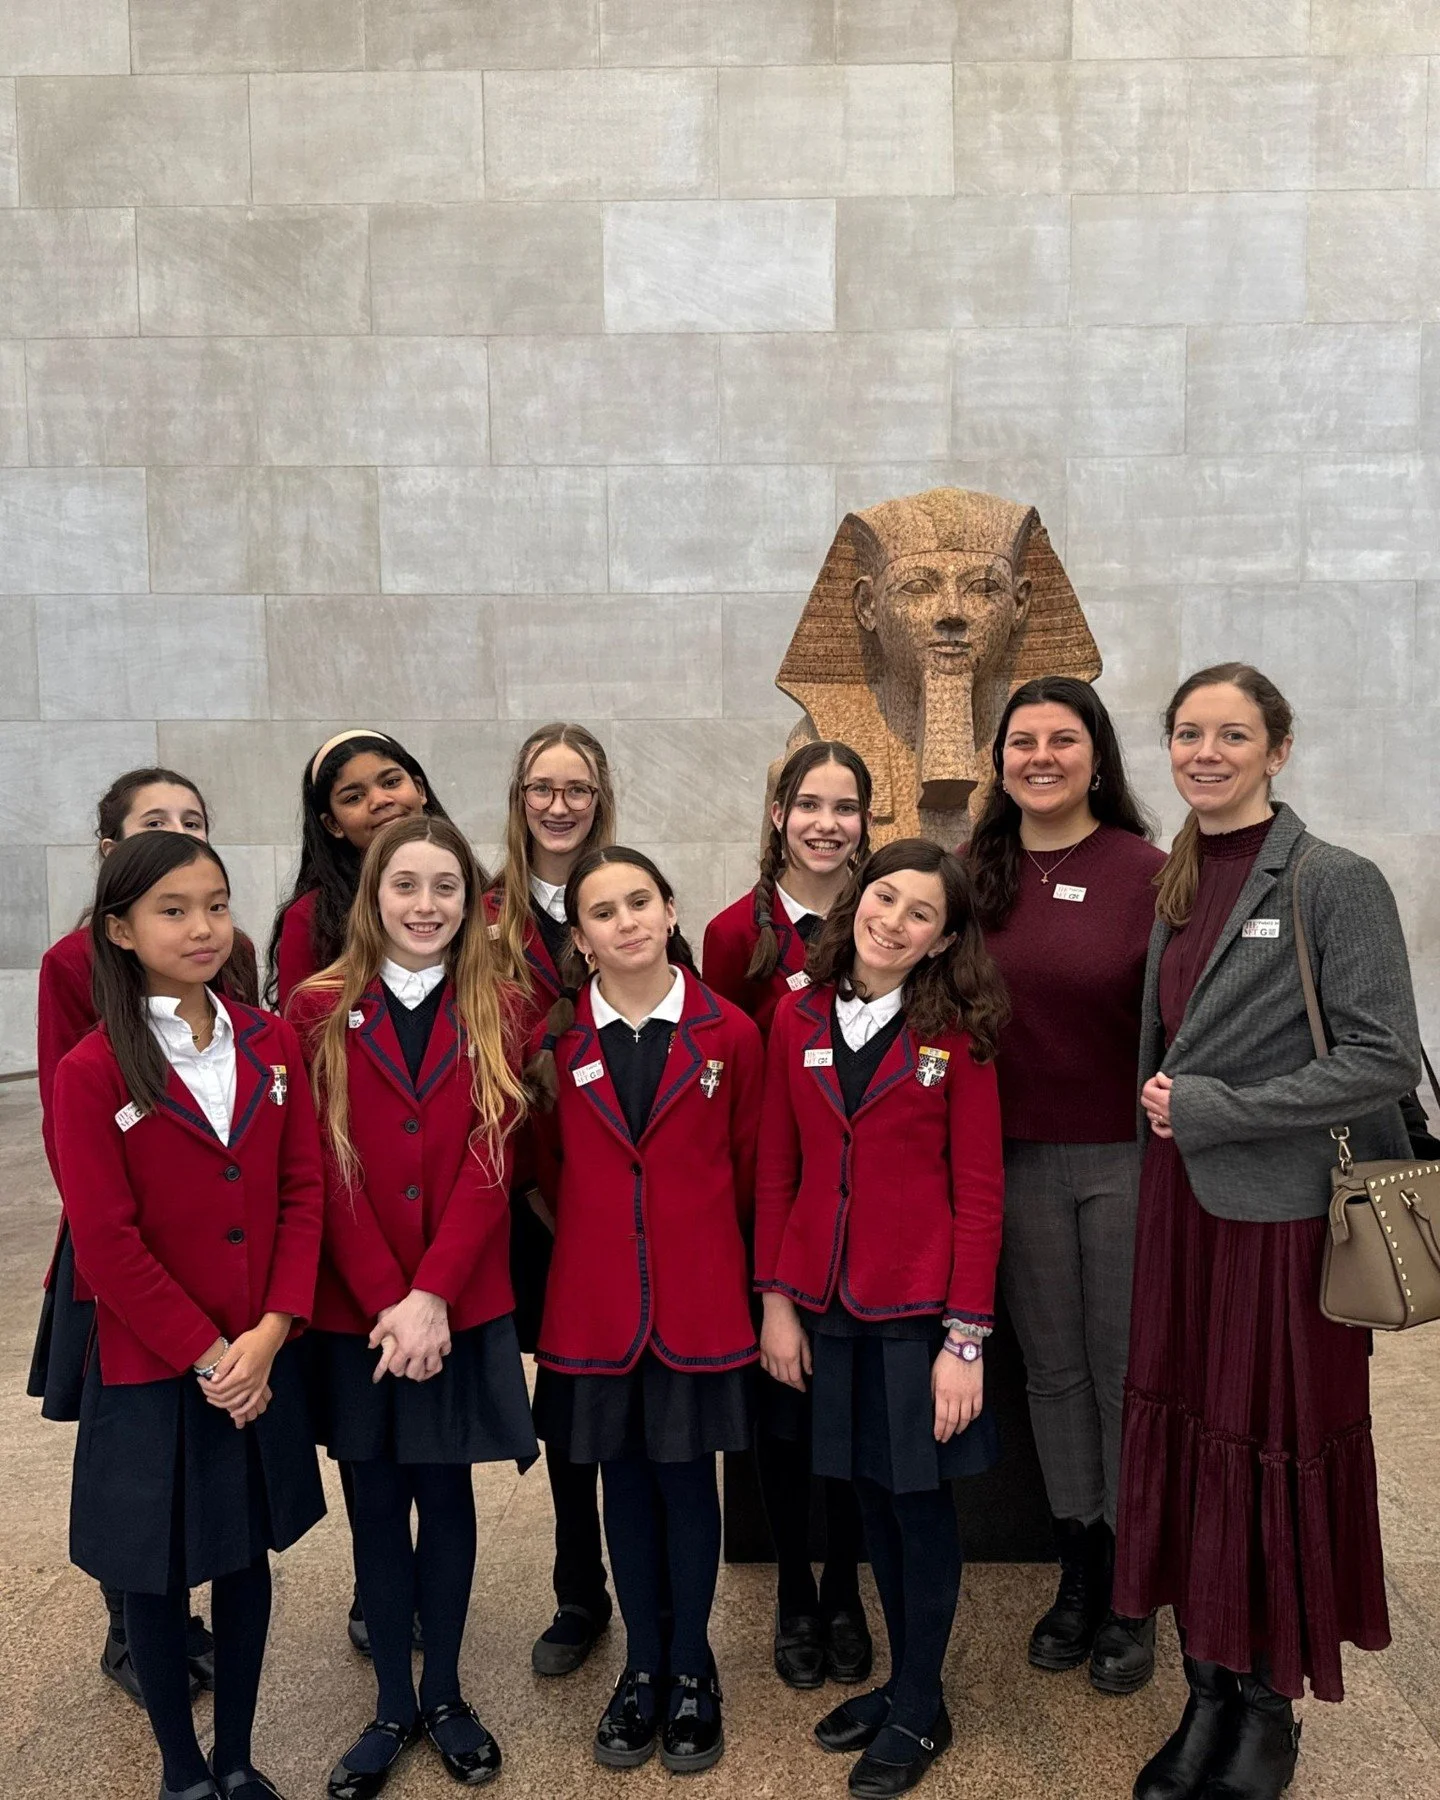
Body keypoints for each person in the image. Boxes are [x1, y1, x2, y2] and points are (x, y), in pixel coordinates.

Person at [1117, 664, 1421, 1800]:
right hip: (1180, 1217)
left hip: (1285, 1224)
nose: (1206, 752)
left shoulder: (1335, 881)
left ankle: (1269, 1703)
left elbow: (1382, 1055)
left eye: (1232, 735)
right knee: (1197, 1433)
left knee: (1268, 1436)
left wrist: (1214, 1110)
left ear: (1277, 750)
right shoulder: (1181, 881)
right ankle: (1207, 1680)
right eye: (1189, 734)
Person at [53, 830, 325, 1800]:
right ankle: (181, 1770)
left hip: (260, 1355)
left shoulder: (273, 1041)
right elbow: (107, 1244)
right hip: (156, 1371)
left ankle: (239, 1757)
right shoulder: (91, 1072)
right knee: (157, 1573)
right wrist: (211, 1354)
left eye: (215, 904)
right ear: (120, 930)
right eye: (174, 910)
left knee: (244, 1558)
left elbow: (302, 1192)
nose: (203, 926)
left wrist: (273, 1329)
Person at [289, 816, 536, 1799]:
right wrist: (390, 1301)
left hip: (459, 1303)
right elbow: (322, 1168)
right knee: (377, 1507)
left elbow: (492, 1165)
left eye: (446, 887)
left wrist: (432, 1294)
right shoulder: (314, 1008)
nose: (425, 905)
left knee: (447, 1495)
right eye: (406, 887)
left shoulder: (500, 1005)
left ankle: (447, 1695)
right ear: (373, 897)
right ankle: (391, 1699)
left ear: (471, 902)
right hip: (361, 1316)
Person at [757, 840, 1007, 1798]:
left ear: (944, 940)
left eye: (920, 914)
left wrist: (964, 1341)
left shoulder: (960, 1034)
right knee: (863, 1496)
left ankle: (917, 1702)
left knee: (918, 1505)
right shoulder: (795, 1017)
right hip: (824, 1304)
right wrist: (776, 1301)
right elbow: (776, 1167)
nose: (894, 920)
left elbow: (979, 1194)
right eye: (885, 897)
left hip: (918, 1313)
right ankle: (911, 1689)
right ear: (856, 899)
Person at [528, 848, 764, 1774]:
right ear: (580, 939)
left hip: (697, 1300)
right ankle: (642, 1664)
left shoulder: (729, 1034)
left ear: (670, 912)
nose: (625, 921)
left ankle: (694, 1663)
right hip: (594, 1306)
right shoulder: (556, 1046)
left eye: (640, 901)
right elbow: (547, 1168)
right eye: (601, 911)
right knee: (620, 1481)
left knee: (683, 1479)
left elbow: (747, 1167)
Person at [29, 766, 259, 1707]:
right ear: (109, 852)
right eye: (152, 822)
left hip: (222, 1259)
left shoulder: (224, 959)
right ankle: (133, 1624)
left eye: (193, 821)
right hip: (124, 1253)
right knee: (132, 1469)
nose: (175, 829)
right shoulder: (71, 967)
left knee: (210, 1463)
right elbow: (67, 1116)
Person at [967, 678, 1165, 1693]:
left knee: (1125, 1364)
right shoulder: (973, 874)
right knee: (1052, 1370)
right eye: (1022, 741)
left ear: (1097, 754)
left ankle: (1136, 1585)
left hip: (1126, 1155)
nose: (1041, 756)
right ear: (998, 759)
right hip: (1012, 1161)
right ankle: (1079, 1563)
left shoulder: (1148, 873)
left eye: (1063, 738)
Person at [703, 741, 876, 1691]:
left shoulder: (885, 919)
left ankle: (848, 1588)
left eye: (845, 807)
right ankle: (794, 1591)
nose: (825, 823)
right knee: (785, 1409)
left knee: (845, 1402)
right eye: (808, 804)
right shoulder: (737, 934)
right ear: (778, 816)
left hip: (857, 1213)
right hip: (769, 1205)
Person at [487, 722, 620, 1677]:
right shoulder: (481, 912)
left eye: (577, 787)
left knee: (625, 1391)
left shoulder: (630, 897)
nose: (559, 804)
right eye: (544, 787)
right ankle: (580, 1588)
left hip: (609, 1198)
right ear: (519, 796)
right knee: (563, 1395)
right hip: (516, 1192)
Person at [266, 730, 446, 1010]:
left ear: (419, 790)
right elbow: (302, 1028)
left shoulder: (476, 893)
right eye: (353, 798)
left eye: (392, 782)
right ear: (333, 825)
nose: (380, 800)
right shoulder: (310, 918)